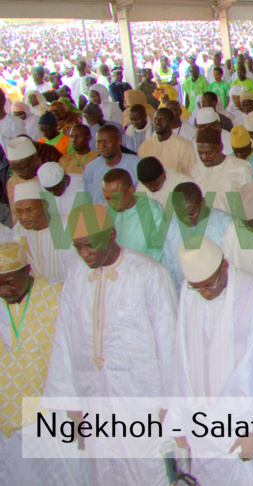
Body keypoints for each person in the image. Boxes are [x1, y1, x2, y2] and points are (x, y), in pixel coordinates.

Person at [44, 203, 178, 486]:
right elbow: (65, 339)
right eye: (77, 247)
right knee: (105, 472)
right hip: (94, 399)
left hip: (143, 401)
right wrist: (70, 403)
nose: (84, 254)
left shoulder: (148, 273)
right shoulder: (75, 276)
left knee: (150, 472)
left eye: (90, 245)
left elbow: (170, 345)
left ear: (112, 234)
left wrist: (172, 404)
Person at [173, 237, 253, 485]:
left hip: (245, 424)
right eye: (196, 287)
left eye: (208, 285)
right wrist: (178, 419)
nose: (204, 293)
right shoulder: (190, 294)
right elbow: (182, 357)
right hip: (203, 425)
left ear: (224, 266)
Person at [0, 240, 75, 486]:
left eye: (9, 281)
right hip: (7, 420)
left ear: (27, 270)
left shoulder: (57, 294)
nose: (4, 290)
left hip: (53, 416)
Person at [160, 182, 235, 290]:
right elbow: (169, 271)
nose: (187, 219)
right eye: (181, 216)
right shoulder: (170, 229)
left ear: (202, 203)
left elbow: (233, 267)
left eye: (191, 214)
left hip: (221, 292)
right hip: (187, 295)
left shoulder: (225, 224)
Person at [11, 181, 77, 283]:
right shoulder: (18, 231)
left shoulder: (67, 227)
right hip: (35, 294)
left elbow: (76, 269)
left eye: (30, 210)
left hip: (66, 289)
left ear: (45, 205)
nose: (24, 217)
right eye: (19, 211)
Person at [102, 167, 166, 262]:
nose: (111, 203)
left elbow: (158, 254)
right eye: (107, 198)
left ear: (131, 190)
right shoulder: (106, 210)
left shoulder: (153, 212)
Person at [190, 125, 253, 213]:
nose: (204, 157)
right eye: (200, 153)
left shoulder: (241, 169)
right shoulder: (196, 170)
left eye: (209, 153)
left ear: (221, 147)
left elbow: (252, 204)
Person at [82, 124, 140, 203]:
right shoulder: (91, 168)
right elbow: (88, 200)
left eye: (107, 141)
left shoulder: (136, 164)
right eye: (98, 142)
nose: (102, 146)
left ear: (119, 141)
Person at [137, 106, 197, 176]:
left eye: (162, 120)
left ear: (171, 123)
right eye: (155, 119)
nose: (157, 122)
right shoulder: (145, 146)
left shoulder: (184, 146)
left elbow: (190, 173)